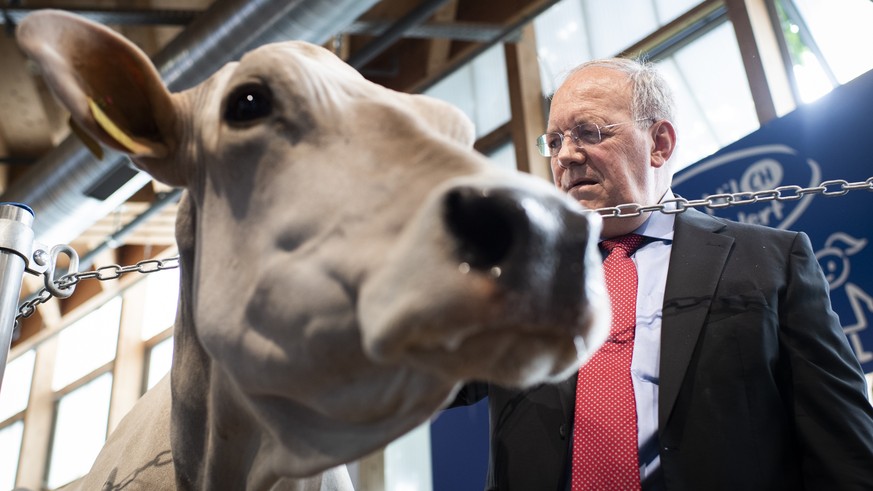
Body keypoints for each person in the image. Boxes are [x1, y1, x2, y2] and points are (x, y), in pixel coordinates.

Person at [452, 57, 873, 490]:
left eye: (589, 133)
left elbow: (845, 450)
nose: (567, 155)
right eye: (554, 141)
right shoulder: (515, 276)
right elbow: (431, 374)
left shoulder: (770, 260)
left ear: (659, 143)